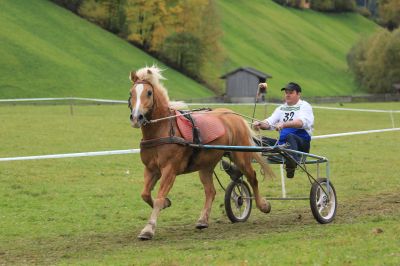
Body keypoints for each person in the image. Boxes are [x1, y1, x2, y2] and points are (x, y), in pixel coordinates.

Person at [253, 82, 314, 178]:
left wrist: (284, 124)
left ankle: (291, 164)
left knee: (290, 136)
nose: (287, 95)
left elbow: (301, 122)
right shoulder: (281, 108)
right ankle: (240, 163)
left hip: (301, 145)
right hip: (283, 145)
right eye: (286, 92)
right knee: (256, 139)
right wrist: (260, 124)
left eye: (291, 92)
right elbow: (270, 122)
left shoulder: (304, 106)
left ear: (298, 94)